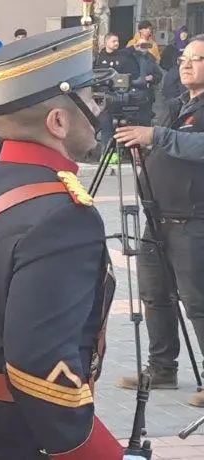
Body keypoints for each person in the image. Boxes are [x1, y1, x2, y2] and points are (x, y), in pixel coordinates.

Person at [0, 26, 142, 459]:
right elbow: (40, 368)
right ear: (57, 121)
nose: (99, 109)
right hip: (22, 439)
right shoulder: (64, 216)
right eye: (90, 99)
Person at [114, 38, 204, 407]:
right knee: (155, 297)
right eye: (184, 59)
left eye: (197, 60)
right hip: (157, 217)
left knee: (197, 302)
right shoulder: (177, 104)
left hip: (192, 220)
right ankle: (162, 368)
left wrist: (157, 136)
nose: (187, 65)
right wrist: (145, 151)